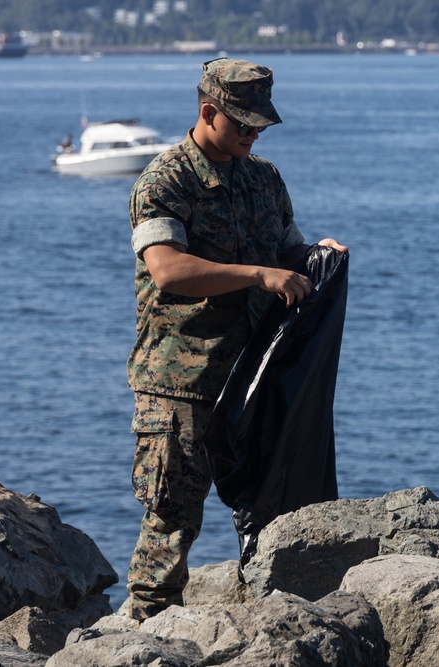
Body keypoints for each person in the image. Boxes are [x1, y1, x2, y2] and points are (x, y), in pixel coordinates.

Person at [125, 57, 347, 621]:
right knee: (173, 517)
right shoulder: (163, 181)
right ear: (208, 112)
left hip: (254, 376)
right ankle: (143, 631)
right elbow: (169, 270)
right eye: (243, 126)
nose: (253, 136)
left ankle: (268, 622)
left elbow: (286, 251)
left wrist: (316, 256)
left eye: (260, 128)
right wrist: (258, 274)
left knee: (269, 504)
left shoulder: (264, 179)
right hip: (183, 382)